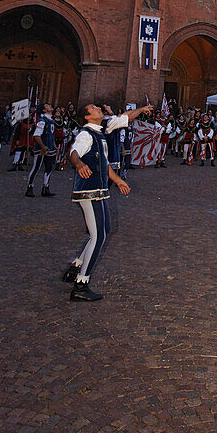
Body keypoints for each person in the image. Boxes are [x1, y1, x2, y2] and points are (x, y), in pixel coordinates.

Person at [63, 101, 152, 301]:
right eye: (93, 108)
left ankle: (76, 266)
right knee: (98, 236)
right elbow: (73, 152)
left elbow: (125, 119)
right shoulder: (86, 134)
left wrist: (119, 181)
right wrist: (79, 164)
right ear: (86, 117)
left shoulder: (101, 129)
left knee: (103, 230)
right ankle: (81, 284)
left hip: (99, 190)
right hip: (89, 190)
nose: (98, 109)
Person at [25, 102, 58, 198]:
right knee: (36, 168)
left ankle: (46, 187)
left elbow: (51, 135)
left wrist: (54, 145)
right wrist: (42, 146)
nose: (50, 106)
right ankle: (30, 187)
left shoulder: (51, 121)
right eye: (48, 106)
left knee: (49, 167)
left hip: (50, 148)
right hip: (41, 149)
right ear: (44, 110)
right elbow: (36, 135)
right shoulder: (42, 121)